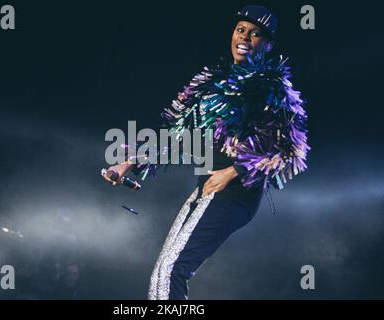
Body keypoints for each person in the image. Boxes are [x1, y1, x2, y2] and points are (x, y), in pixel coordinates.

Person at [102, 5, 309, 300]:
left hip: (235, 193)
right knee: (163, 270)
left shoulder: (270, 86)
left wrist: (233, 171)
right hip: (207, 187)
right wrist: (129, 162)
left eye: (256, 34)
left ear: (269, 44)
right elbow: (182, 135)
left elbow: (289, 148)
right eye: (241, 30)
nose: (245, 38)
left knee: (173, 270)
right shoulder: (215, 82)